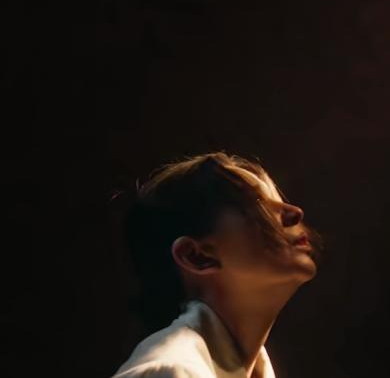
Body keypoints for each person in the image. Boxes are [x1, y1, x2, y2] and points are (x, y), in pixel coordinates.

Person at [111, 151, 324, 378]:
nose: (294, 213)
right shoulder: (170, 370)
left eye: (280, 201)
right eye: (257, 204)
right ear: (197, 256)